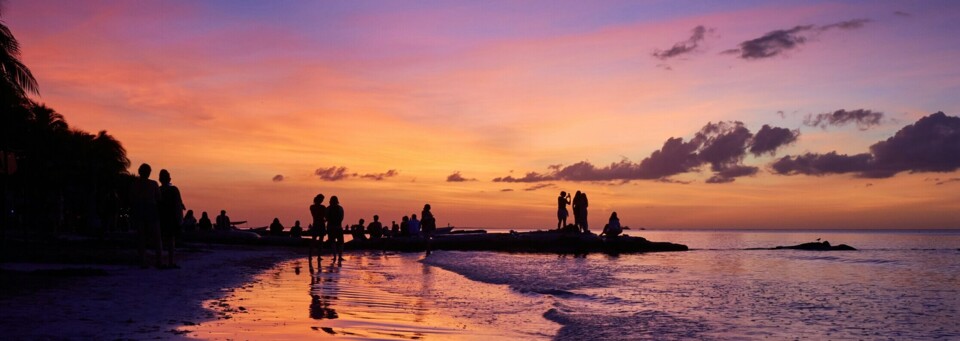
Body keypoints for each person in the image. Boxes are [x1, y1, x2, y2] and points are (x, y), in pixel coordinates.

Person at [129, 163, 162, 268]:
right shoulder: (153, 184)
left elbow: (132, 198)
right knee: (156, 237)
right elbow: (159, 199)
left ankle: (142, 261)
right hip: (151, 211)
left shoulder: (135, 184)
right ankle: (158, 261)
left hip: (140, 210)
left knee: (141, 237)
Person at [158, 169, 184, 268]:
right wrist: (180, 220)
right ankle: (170, 262)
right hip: (171, 217)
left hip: (161, 218)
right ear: (169, 178)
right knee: (171, 240)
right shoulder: (173, 189)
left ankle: (160, 261)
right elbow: (178, 205)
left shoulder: (159, 190)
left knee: (161, 240)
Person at [325, 196, 345, 263]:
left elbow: (326, 217)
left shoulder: (328, 208)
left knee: (332, 242)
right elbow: (342, 218)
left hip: (330, 227)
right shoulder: (340, 208)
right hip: (338, 227)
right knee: (341, 242)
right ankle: (340, 256)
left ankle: (334, 256)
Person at [309, 194, 327, 260]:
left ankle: (310, 255)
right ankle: (318, 256)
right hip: (321, 224)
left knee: (313, 240)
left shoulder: (312, 207)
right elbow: (326, 216)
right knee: (320, 241)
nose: (322, 201)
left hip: (315, 224)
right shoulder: (323, 207)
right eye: (322, 199)